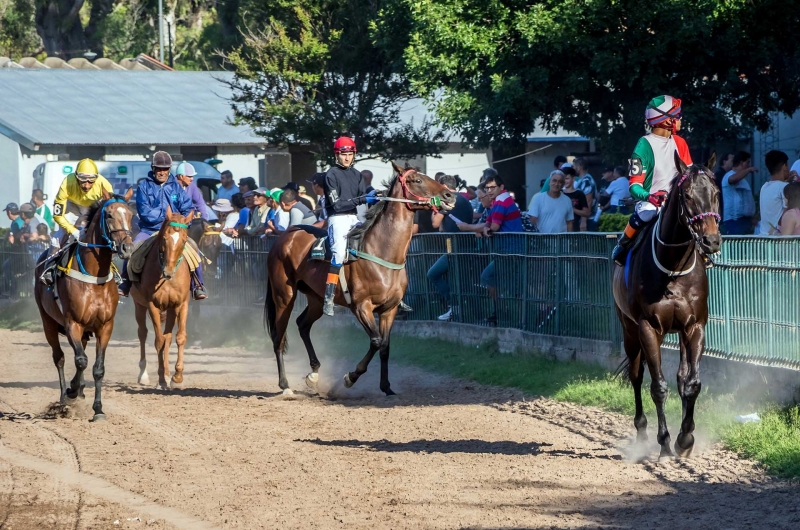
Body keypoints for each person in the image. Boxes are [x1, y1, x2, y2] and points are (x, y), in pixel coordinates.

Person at [612, 95, 693, 265]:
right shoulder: (643, 145)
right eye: (677, 115)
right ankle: (623, 244)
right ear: (666, 121)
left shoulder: (681, 143)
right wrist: (651, 197)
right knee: (647, 212)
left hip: (677, 201)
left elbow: (690, 177)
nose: (680, 118)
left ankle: (704, 251)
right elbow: (634, 186)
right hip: (651, 202)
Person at [119, 151, 207, 300]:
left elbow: (187, 206)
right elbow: (144, 211)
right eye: (159, 169)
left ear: (169, 170)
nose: (162, 172)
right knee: (132, 248)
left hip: (174, 229)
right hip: (149, 230)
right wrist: (166, 218)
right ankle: (125, 282)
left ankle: (198, 285)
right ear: (153, 169)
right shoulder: (144, 186)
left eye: (165, 169)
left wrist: (181, 221)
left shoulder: (176, 187)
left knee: (193, 249)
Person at [322, 136, 377, 316]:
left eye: (350, 154)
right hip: (337, 218)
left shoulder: (357, 175)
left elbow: (361, 197)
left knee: (373, 245)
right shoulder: (330, 174)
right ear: (336, 155)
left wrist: (375, 196)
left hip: (354, 217)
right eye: (343, 154)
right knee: (338, 253)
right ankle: (328, 299)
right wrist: (364, 198)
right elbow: (337, 204)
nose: (347, 158)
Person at [40, 159, 115, 285]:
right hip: (72, 206)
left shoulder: (104, 184)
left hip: (92, 207)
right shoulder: (67, 182)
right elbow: (57, 215)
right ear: (76, 177)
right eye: (82, 180)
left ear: (96, 178)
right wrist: (73, 231)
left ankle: (113, 269)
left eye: (91, 180)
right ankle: (49, 267)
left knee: (102, 236)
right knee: (60, 235)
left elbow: (111, 209)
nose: (86, 185)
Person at [427, 174, 477, 321]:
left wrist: (435, 208)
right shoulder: (464, 199)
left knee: (433, 274)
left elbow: (435, 224)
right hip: (467, 244)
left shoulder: (448, 199)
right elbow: (442, 228)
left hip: (455, 247)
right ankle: (473, 314)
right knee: (465, 283)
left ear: (443, 186)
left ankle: (454, 307)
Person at [721, 151, 758, 235]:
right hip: (734, 221)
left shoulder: (743, 180)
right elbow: (732, 179)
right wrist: (748, 170)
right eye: (747, 162)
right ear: (741, 163)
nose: (749, 165)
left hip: (744, 221)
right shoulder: (729, 175)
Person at [759, 150, 791, 235]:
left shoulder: (764, 187)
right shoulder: (785, 187)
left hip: (763, 236)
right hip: (777, 240)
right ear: (784, 166)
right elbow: (787, 211)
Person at [573, 157, 598, 231]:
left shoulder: (586, 181)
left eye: (574, 166)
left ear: (579, 167)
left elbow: (588, 201)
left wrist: (583, 221)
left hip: (587, 220)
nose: (573, 169)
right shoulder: (583, 180)